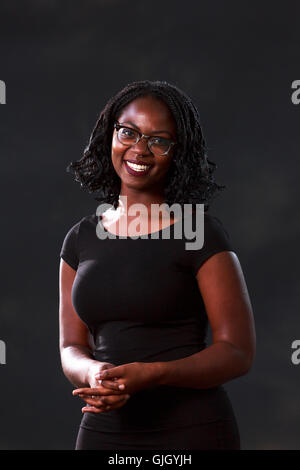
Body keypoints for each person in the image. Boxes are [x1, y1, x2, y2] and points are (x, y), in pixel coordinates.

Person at [59, 80, 256, 450]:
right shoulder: (80, 238)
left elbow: (238, 352)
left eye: (159, 140)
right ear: (109, 134)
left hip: (193, 431)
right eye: (128, 132)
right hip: (105, 430)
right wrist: (93, 372)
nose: (140, 149)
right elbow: (71, 345)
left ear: (177, 153)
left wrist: (154, 374)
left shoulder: (200, 233)